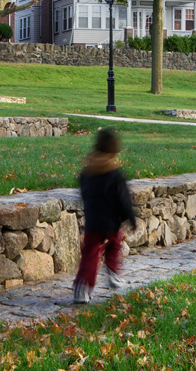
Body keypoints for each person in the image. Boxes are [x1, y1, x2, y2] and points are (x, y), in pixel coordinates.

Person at [72, 128, 137, 304]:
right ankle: (114, 274)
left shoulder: (87, 172)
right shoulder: (114, 174)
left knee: (90, 254)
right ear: (114, 150)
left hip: (93, 222)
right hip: (111, 224)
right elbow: (124, 200)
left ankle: (82, 287)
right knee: (114, 246)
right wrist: (130, 218)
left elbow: (84, 194)